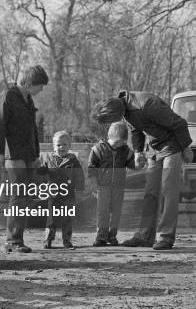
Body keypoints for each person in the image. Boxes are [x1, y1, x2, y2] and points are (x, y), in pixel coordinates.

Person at [94, 90, 193, 250]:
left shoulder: (146, 104)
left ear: (114, 113)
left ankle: (166, 237)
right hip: (153, 148)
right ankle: (145, 236)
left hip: (172, 146)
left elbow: (179, 123)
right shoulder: (125, 109)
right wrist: (138, 151)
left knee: (169, 192)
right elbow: (135, 130)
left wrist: (186, 147)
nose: (111, 123)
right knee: (150, 192)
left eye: (110, 120)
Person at [0, 65, 49, 253]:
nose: (42, 89)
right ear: (30, 82)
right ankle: (12, 241)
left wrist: (36, 154)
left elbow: (33, 130)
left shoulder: (28, 100)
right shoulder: (8, 96)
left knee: (25, 196)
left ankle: (18, 239)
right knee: (18, 196)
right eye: (40, 85)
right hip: (13, 153)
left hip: (28, 154)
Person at [88, 122, 137, 246]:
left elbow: (132, 165)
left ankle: (112, 235)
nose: (119, 145)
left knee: (116, 211)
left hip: (118, 186)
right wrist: (93, 183)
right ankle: (101, 236)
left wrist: (139, 163)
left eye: (122, 142)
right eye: (117, 142)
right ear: (109, 137)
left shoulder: (126, 151)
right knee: (102, 211)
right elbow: (91, 167)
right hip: (103, 186)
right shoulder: (98, 149)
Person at [38, 130, 85, 250]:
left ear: (69, 146)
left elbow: (79, 175)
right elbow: (41, 172)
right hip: (53, 194)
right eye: (58, 145)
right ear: (54, 146)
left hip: (68, 195)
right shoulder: (48, 159)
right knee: (51, 218)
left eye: (64, 144)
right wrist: (37, 169)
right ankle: (48, 239)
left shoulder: (73, 161)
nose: (61, 147)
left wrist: (80, 188)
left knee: (67, 218)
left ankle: (66, 240)